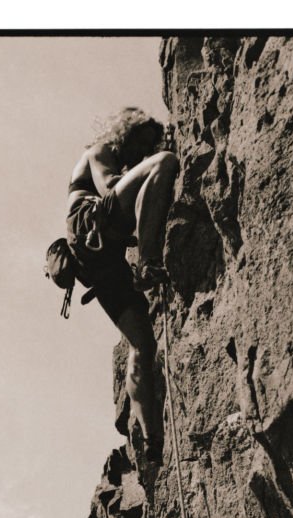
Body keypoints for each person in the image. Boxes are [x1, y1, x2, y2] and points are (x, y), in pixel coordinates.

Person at [66, 108, 179, 461]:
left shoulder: (122, 159)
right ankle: (147, 263)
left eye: (146, 147)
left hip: (101, 260)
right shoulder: (99, 150)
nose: (140, 154)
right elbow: (111, 188)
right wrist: (144, 173)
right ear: (125, 134)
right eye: (140, 144)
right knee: (165, 162)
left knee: (142, 344)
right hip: (92, 227)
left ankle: (151, 438)